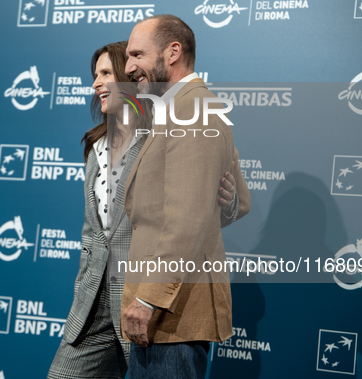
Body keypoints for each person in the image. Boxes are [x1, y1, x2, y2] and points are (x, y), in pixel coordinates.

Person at [47, 40, 249, 379]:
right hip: (92, 300)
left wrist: (226, 202)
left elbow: (218, 207)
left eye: (107, 72)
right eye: (94, 75)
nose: (96, 83)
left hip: (147, 296)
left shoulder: (171, 127)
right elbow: (94, 230)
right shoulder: (95, 144)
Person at [120, 15, 246, 378]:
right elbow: (234, 198)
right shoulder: (180, 107)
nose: (129, 67)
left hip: (172, 313)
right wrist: (224, 200)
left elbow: (186, 220)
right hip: (164, 313)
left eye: (137, 55)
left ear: (173, 52)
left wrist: (148, 299)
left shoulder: (192, 109)